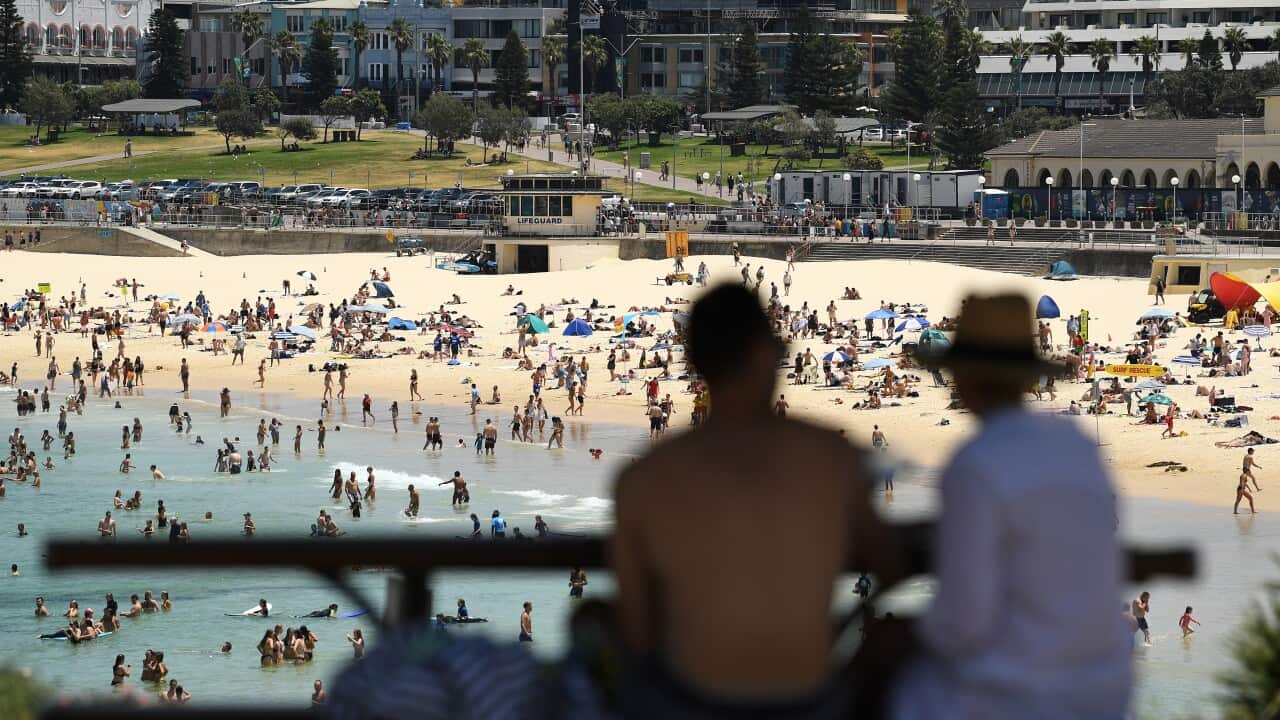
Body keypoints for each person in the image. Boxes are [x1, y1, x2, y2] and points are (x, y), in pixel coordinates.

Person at [612, 283, 902, 716]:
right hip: (810, 698)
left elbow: (636, 629)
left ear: (695, 363)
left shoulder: (643, 479)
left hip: (691, 699)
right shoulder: (831, 457)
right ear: (766, 356)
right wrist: (836, 628)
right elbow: (891, 568)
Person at [892, 293, 1132, 719]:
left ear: (964, 380)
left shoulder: (976, 462)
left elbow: (963, 620)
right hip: (1107, 686)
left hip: (1026, 695)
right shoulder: (1075, 445)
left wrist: (907, 631)